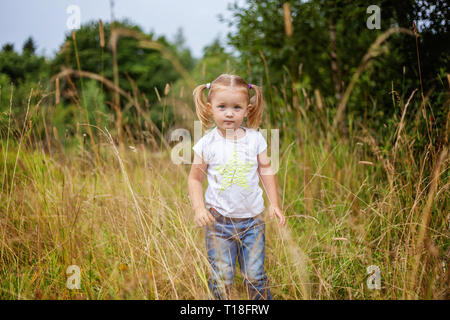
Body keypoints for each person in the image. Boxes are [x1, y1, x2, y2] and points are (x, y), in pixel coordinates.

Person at [187, 74, 286, 300]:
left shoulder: (255, 140)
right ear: (210, 108)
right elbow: (194, 179)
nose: (229, 113)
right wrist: (199, 209)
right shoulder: (207, 144)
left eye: (236, 107)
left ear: (247, 109)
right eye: (222, 106)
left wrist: (274, 204)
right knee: (222, 278)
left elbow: (266, 171)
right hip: (218, 223)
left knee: (254, 275)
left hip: (253, 222)